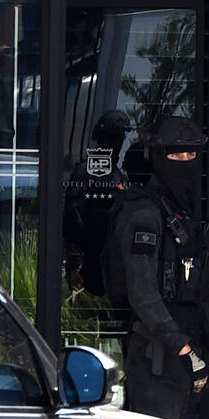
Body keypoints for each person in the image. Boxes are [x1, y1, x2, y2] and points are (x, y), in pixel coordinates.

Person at [108, 115, 209, 419]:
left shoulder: (185, 212)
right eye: (176, 155)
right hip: (158, 360)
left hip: (193, 355)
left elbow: (198, 292)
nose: (185, 162)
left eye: (191, 155)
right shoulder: (143, 213)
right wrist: (183, 349)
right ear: (158, 158)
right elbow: (142, 294)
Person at [63, 109, 132, 295]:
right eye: (112, 138)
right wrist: (75, 262)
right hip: (89, 261)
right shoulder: (85, 172)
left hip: (111, 261)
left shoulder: (118, 175)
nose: (116, 144)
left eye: (120, 138)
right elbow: (72, 218)